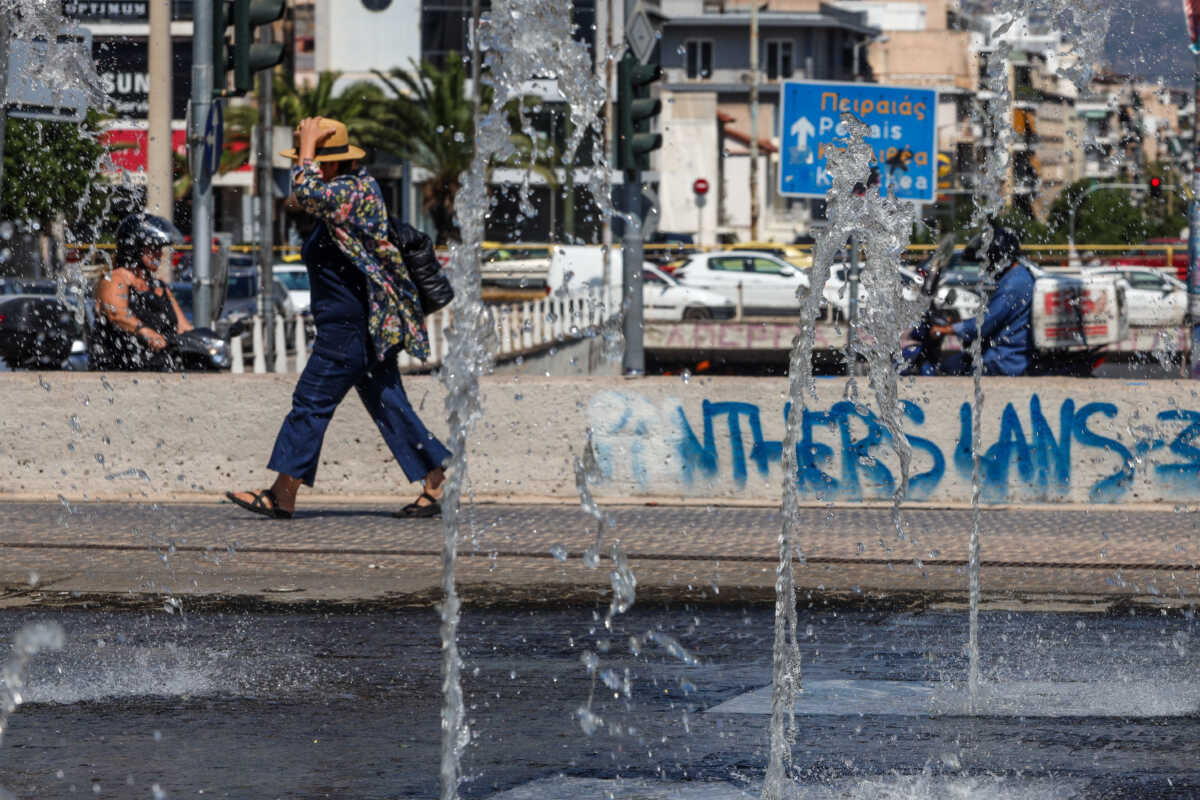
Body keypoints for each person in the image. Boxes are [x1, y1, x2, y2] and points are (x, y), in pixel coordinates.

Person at [226, 116, 450, 520]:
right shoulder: (348, 193)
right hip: (360, 326)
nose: (304, 164)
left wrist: (308, 146)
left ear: (330, 165)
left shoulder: (352, 190)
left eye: (310, 160)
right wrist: (308, 147)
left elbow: (305, 191)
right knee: (388, 403)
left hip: (350, 328)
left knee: (310, 403)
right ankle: (436, 482)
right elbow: (307, 197)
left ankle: (283, 494)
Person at [91, 213, 192, 371]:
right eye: (152, 248)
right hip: (119, 370)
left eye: (160, 248)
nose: (159, 253)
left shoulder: (160, 286)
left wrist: (203, 340)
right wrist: (145, 332)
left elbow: (183, 327)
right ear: (134, 249)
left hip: (159, 369)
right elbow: (118, 314)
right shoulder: (115, 278)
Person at [931, 227, 1034, 377]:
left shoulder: (1013, 284)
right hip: (1007, 354)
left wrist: (946, 330)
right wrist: (955, 321)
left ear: (998, 258)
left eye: (988, 260)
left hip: (1003, 359)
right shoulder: (1017, 276)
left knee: (948, 366)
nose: (987, 266)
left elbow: (984, 325)